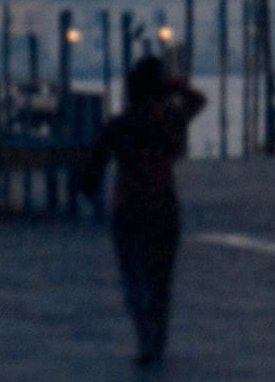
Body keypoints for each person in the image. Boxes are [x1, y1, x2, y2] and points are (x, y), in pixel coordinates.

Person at [78, 55, 208, 366]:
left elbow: (93, 166)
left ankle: (145, 339)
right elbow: (198, 99)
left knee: (134, 279)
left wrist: (89, 187)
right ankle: (157, 340)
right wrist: (172, 84)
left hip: (128, 209)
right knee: (160, 282)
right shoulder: (170, 119)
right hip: (163, 208)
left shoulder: (119, 125)